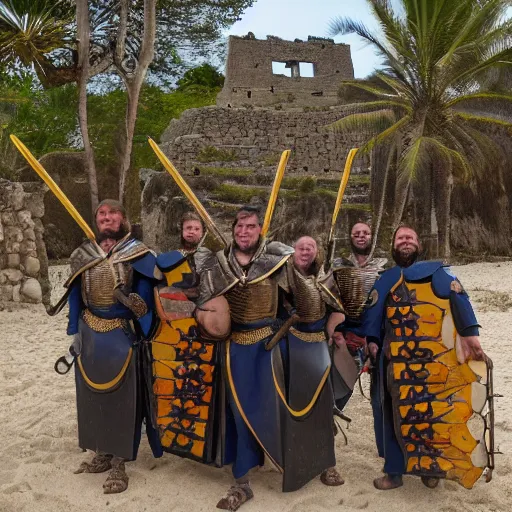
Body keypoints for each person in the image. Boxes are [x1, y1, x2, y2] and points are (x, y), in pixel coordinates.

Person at [198, 206, 338, 511]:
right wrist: (209, 322)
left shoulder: (277, 260)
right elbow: (204, 304)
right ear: (233, 229)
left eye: (250, 226)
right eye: (240, 227)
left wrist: (305, 287)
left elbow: (309, 308)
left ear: (260, 230)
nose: (244, 232)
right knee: (238, 413)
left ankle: (308, 462)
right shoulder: (219, 264)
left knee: (278, 409)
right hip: (234, 347)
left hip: (270, 347)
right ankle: (242, 482)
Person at [362, 225, 490, 491]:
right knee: (392, 417)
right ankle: (395, 472)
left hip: (432, 362)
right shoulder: (385, 278)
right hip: (393, 363)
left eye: (410, 237)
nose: (406, 241)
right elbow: (372, 319)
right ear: (393, 245)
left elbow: (459, 299)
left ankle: (431, 470)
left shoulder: (438, 274)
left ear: (419, 245)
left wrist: (470, 335)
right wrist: (372, 344)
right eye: (401, 238)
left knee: (431, 415)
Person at [50, 199, 162, 494]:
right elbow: (76, 293)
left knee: (122, 401)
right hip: (90, 333)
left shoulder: (137, 253)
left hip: (123, 334)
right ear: (95, 220)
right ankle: (100, 451)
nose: (107, 218)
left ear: (123, 219)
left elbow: (147, 295)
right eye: (102, 213)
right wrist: (74, 331)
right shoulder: (83, 254)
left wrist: (138, 309)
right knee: (91, 396)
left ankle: (119, 462)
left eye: (113, 213)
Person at [283, 236, 346, 486]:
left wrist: (330, 330)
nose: (306, 251)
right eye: (301, 247)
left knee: (322, 406)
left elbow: (339, 309)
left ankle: (328, 466)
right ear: (293, 251)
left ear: (316, 252)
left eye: (310, 247)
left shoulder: (325, 277)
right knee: (290, 404)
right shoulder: (282, 275)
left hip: (317, 343)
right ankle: (292, 459)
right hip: (289, 345)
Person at [331, 222, 387, 410]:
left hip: (378, 334)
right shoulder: (338, 266)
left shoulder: (384, 266)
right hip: (348, 335)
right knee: (341, 385)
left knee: (384, 389)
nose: (361, 236)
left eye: (365, 233)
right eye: (357, 233)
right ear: (350, 237)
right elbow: (329, 298)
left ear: (372, 236)